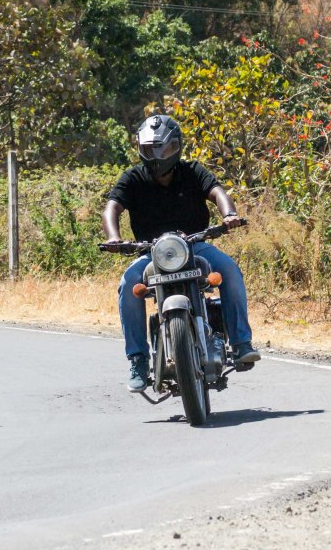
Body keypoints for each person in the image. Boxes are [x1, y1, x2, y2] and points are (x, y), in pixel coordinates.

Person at [102, 115, 260, 393]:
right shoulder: (133, 178)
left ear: (176, 147)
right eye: (150, 149)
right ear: (140, 147)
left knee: (230, 270)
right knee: (129, 285)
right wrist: (113, 237)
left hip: (195, 244)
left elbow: (217, 192)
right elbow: (112, 208)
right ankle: (138, 360)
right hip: (151, 252)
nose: (156, 155)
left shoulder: (192, 171)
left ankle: (241, 343)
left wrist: (230, 214)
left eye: (162, 148)